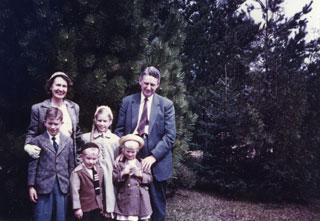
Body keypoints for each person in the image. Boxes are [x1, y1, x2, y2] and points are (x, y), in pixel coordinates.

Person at [114, 66, 176, 221]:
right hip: (131, 160)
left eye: (153, 84)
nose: (149, 87)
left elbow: (170, 136)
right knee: (131, 207)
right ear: (139, 81)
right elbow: (119, 130)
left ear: (158, 84)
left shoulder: (166, 105)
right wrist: (123, 150)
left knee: (157, 207)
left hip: (156, 164)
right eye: (146, 83)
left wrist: (154, 156)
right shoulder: (128, 102)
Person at [27, 107, 74, 221]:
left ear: (61, 123)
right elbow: (33, 166)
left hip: (62, 185)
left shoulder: (68, 141)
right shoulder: (37, 140)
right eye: (50, 123)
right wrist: (31, 186)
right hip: (43, 185)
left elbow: (71, 165)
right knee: (42, 216)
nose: (53, 127)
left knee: (60, 217)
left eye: (56, 124)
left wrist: (72, 186)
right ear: (44, 122)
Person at [24, 71, 80, 164]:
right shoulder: (38, 108)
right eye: (58, 85)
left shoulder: (74, 107)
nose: (61, 89)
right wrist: (28, 146)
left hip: (68, 159)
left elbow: (77, 134)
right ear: (50, 87)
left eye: (64, 86)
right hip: (46, 159)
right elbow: (32, 133)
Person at [81, 105, 120, 219]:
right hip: (92, 176)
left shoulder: (115, 140)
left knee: (108, 198)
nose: (102, 124)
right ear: (95, 120)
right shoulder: (86, 138)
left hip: (109, 176)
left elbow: (117, 158)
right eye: (99, 120)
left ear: (110, 122)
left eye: (105, 121)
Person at [113, 134, 153, 221]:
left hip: (141, 198)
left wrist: (140, 175)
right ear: (123, 150)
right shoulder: (119, 164)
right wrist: (122, 173)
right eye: (127, 151)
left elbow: (150, 178)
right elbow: (115, 180)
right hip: (125, 199)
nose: (130, 154)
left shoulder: (142, 163)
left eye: (133, 152)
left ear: (137, 151)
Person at [70, 142, 104, 221]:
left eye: (94, 159)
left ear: (98, 157)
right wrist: (77, 208)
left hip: (97, 206)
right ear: (82, 157)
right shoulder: (78, 172)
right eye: (88, 158)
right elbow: (74, 192)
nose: (91, 162)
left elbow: (100, 189)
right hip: (84, 208)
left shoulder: (100, 170)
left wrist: (101, 205)